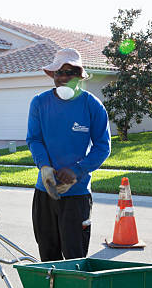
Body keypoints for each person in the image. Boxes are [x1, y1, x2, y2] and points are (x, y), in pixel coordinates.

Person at [27, 48, 111, 262]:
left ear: (80, 76)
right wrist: (44, 167)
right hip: (45, 192)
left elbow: (102, 147)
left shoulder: (92, 105)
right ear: (53, 76)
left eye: (70, 72)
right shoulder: (39, 102)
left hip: (77, 195)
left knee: (75, 258)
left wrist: (76, 171)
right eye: (59, 73)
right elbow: (34, 139)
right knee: (48, 257)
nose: (64, 77)